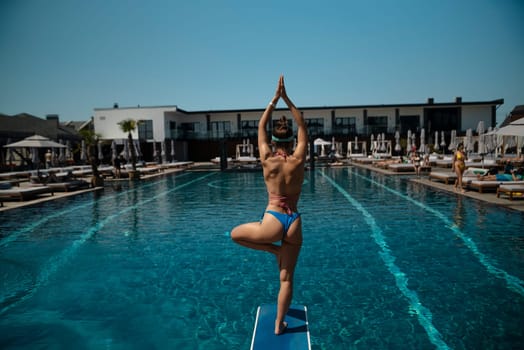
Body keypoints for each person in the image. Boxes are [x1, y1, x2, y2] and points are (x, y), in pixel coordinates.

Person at [231, 75, 307, 336]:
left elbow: (261, 126)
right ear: (292, 143)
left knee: (235, 235)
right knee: (286, 279)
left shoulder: (266, 158)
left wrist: (274, 100)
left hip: (272, 221)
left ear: (273, 142)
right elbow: (301, 124)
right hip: (294, 221)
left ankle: (273, 252)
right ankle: (279, 324)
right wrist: (288, 98)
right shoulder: (299, 159)